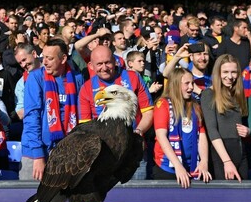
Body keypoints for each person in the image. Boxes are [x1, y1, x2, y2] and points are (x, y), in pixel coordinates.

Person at [78, 45, 153, 179]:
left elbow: (148, 112)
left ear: (115, 61)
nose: (104, 68)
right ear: (91, 66)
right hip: (104, 157)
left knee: (138, 197)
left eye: (107, 62)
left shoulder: (133, 77)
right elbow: (86, 128)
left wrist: (138, 132)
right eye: (99, 64)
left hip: (133, 151)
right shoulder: (86, 89)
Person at [21, 38, 84, 181]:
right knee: (32, 200)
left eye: (49, 58)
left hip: (67, 153)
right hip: (37, 152)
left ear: (63, 59)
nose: (44, 62)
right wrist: (38, 155)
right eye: (43, 57)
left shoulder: (77, 78)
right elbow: (32, 117)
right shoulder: (36, 78)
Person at [153, 68, 211, 188]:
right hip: (168, 167)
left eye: (192, 83)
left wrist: (204, 162)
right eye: (187, 84)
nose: (191, 87)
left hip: (193, 167)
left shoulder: (195, 105)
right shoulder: (163, 104)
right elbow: (161, 136)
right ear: (175, 85)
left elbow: (202, 134)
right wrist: (178, 165)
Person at [201, 54, 249, 181]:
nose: (230, 76)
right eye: (225, 72)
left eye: (234, 72)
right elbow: (212, 131)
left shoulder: (237, 94)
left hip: (240, 151)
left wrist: (248, 131)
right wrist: (226, 161)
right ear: (218, 73)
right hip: (222, 154)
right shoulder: (208, 94)